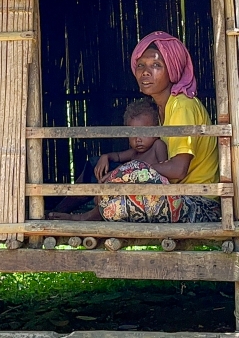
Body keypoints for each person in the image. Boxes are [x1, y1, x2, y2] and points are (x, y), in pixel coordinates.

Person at [53, 31, 221, 223]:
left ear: (173, 70)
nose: (145, 72)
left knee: (116, 200)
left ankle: (86, 218)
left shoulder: (182, 105)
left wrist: (128, 174)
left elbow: (178, 170)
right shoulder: (161, 110)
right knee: (114, 192)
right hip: (177, 196)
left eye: (156, 65)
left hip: (197, 204)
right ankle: (81, 215)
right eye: (140, 65)